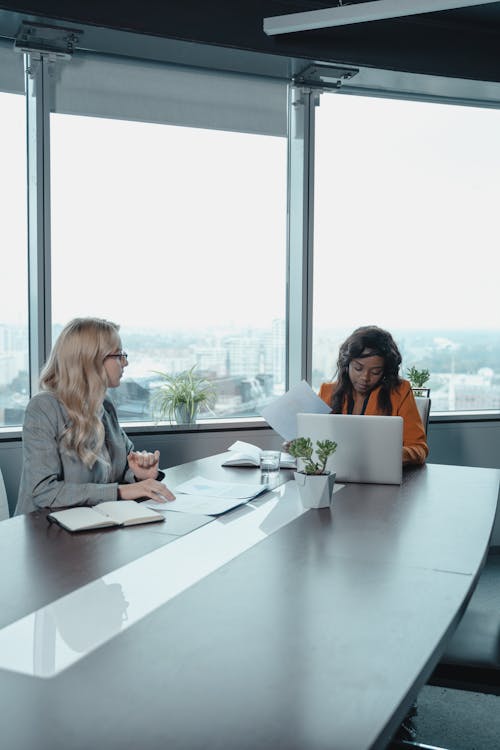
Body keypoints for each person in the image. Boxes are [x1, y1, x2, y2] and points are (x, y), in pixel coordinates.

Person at [15, 317, 175, 515]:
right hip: (45, 532)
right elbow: (43, 492)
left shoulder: (105, 405)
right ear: (91, 361)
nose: (125, 362)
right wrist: (120, 491)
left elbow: (119, 469)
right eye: (119, 355)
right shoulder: (44, 407)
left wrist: (139, 476)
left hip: (95, 525)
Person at [318, 325, 428, 466]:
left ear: (385, 371)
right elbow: (312, 438)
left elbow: (419, 448)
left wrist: (393, 455)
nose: (365, 377)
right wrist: (298, 446)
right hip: (334, 474)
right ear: (346, 364)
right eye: (358, 368)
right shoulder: (327, 392)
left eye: (375, 372)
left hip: (382, 475)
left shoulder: (400, 392)